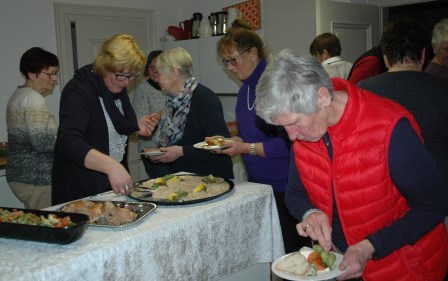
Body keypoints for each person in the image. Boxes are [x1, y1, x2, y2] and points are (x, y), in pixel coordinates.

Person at [255, 49, 448, 281]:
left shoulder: (390, 127)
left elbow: (432, 206)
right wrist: (310, 212)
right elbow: (294, 193)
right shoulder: (307, 132)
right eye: (283, 127)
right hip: (343, 266)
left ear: (322, 97)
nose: (292, 137)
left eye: (295, 124)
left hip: (405, 267)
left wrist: (370, 247)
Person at [216, 19, 306, 254]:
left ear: (253, 53)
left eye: (233, 60)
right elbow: (246, 136)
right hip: (261, 186)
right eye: (225, 62)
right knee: (276, 253)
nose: (230, 67)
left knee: (297, 253)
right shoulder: (245, 89)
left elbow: (289, 143)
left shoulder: (277, 83)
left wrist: (245, 149)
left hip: (288, 187)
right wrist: (231, 143)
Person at [52, 34, 157, 205]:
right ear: (104, 66)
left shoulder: (116, 89)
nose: (125, 83)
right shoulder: (77, 91)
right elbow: (68, 141)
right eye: (121, 75)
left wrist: (134, 125)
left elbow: (108, 126)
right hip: (81, 190)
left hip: (108, 188)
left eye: (132, 76)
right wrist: (111, 166)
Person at [358, 18, 448, 188]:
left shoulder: (363, 91)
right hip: (438, 192)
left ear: (385, 58)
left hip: (384, 192)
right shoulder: (443, 91)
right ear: (423, 54)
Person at [147, 47, 233, 179]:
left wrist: (182, 152)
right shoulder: (171, 102)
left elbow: (220, 142)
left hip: (211, 179)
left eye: (159, 74)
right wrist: (160, 152)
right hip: (183, 177)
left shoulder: (204, 98)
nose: (156, 79)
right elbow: (176, 142)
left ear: (174, 73)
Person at [6, 47, 59, 209]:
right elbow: (42, 143)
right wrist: (63, 137)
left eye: (56, 73)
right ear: (32, 73)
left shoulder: (18, 95)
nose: (54, 78)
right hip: (37, 179)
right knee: (47, 228)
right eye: (50, 74)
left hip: (22, 176)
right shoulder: (33, 99)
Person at [131, 50, 170, 178]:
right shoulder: (143, 89)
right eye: (151, 66)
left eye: (158, 66)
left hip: (172, 149)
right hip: (152, 149)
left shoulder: (172, 86)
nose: (154, 70)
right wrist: (165, 113)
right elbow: (142, 124)